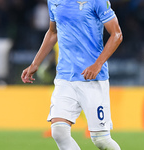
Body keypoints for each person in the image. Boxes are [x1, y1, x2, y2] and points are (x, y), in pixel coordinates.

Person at [21, 0, 123, 149]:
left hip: (92, 79)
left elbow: (117, 34)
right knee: (59, 132)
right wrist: (35, 63)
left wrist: (98, 64)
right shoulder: (54, 1)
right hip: (64, 77)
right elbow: (53, 32)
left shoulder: (97, 1)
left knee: (101, 140)